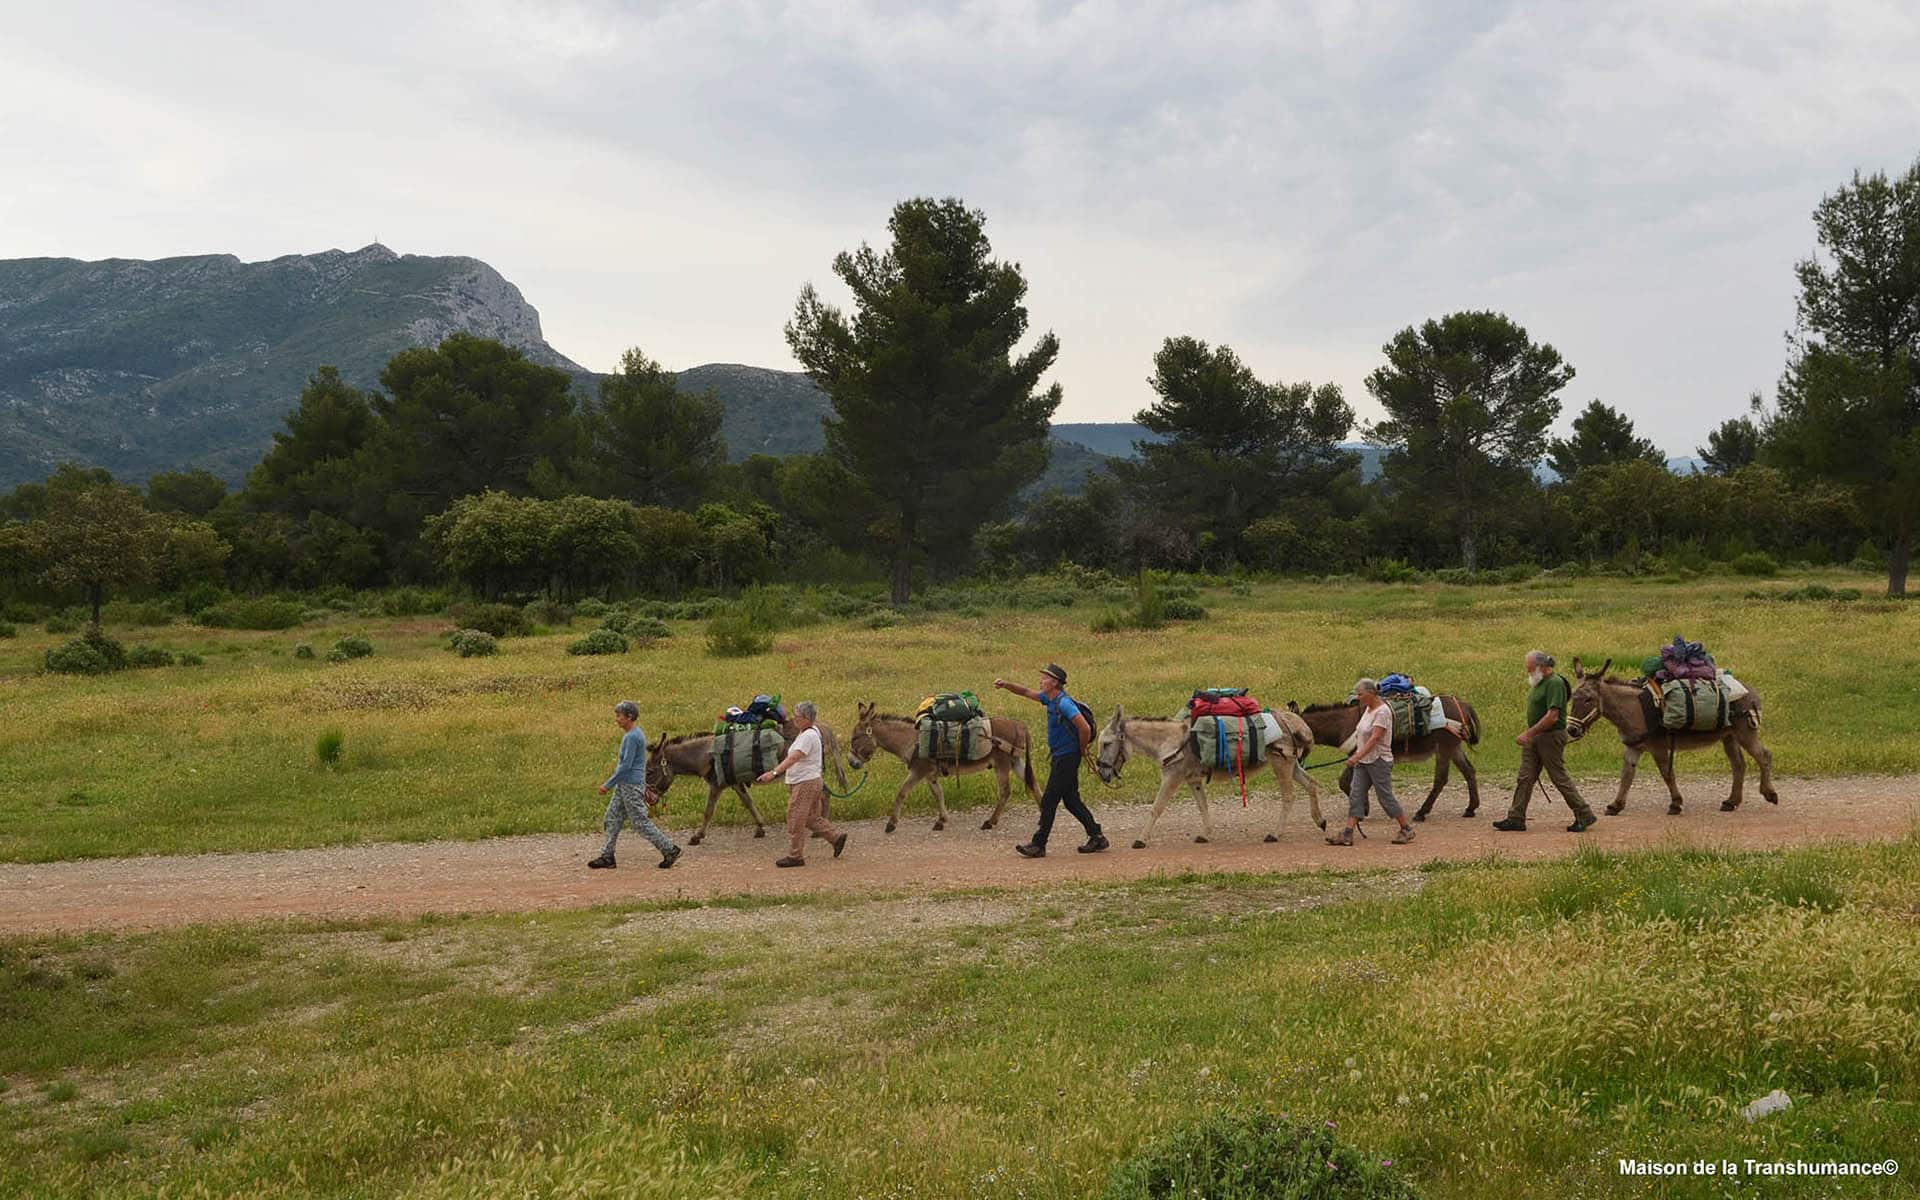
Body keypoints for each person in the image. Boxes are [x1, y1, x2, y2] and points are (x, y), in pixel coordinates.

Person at [993, 664, 1108, 858]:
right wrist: (1006, 685)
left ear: (1054, 682)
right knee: (1071, 800)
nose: (1040, 680)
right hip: (1061, 757)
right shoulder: (1049, 699)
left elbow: (1085, 728)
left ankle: (1039, 844)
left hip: (1067, 758)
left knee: (1049, 800)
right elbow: (1025, 691)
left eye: (1044, 678)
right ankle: (1097, 836)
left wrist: (1081, 749)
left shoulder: (1064, 704)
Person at [1493, 651, 1599, 833]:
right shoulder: (1540, 682)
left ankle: (1584, 814)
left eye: (1530, 669)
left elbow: (1552, 716)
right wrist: (1531, 735)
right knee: (1525, 777)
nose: (1528, 673)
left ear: (1542, 667)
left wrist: (1528, 733)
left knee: (1558, 777)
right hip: (1536, 737)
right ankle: (1516, 818)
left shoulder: (1555, 683)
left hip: (1550, 737)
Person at [588, 701, 681, 869]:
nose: (616, 719)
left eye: (619, 716)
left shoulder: (632, 737)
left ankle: (670, 849)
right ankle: (607, 856)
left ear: (629, 717)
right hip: (625, 784)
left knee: (639, 822)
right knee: (612, 817)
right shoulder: (633, 734)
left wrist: (607, 784)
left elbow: (626, 766)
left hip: (630, 785)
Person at [756, 700, 848, 867]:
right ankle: (835, 837)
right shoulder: (807, 733)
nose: (794, 719)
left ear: (806, 718)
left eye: (797, 716)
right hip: (809, 781)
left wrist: (774, 773)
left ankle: (795, 856)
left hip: (805, 783)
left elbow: (794, 758)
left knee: (795, 817)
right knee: (811, 818)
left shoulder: (809, 736)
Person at [1327, 678, 1415, 846]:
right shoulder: (1368, 709)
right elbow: (1362, 733)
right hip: (1364, 761)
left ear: (1371, 693)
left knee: (1385, 797)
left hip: (1378, 761)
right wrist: (1358, 756)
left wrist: (1356, 756)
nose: (1358, 698)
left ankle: (1406, 828)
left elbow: (1375, 738)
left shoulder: (1382, 712)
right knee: (1356, 794)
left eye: (1360, 694)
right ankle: (1347, 833)